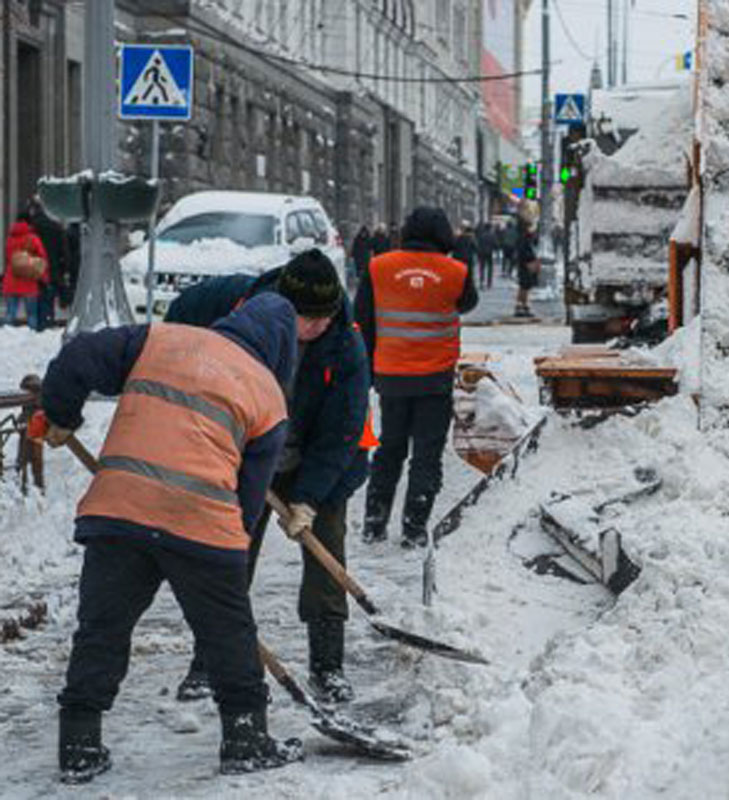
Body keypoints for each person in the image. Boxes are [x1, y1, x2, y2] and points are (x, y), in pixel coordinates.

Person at [39, 294, 303, 783]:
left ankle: (78, 742)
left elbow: (78, 357)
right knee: (229, 635)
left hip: (120, 510)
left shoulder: (158, 339)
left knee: (102, 628)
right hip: (202, 523)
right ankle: (245, 737)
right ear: (282, 349)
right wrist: (227, 554)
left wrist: (62, 414)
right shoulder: (268, 393)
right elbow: (249, 494)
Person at [165, 249, 370, 704]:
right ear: (281, 303)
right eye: (306, 318)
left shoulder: (345, 343)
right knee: (228, 554)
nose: (315, 328)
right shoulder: (236, 303)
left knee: (326, 553)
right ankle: (209, 659)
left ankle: (328, 663)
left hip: (320, 461)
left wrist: (309, 499)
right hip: (248, 455)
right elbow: (176, 319)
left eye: (325, 317)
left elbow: (341, 432)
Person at [355, 207, 478, 545]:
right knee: (426, 455)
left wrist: (366, 369)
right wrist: (463, 256)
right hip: (435, 379)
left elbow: (361, 317)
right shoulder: (455, 272)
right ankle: (414, 527)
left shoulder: (378, 268)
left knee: (389, 448)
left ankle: (374, 521)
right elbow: (468, 303)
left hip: (391, 376)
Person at [27, 196, 67, 329]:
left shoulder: (31, 226)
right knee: (48, 299)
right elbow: (63, 250)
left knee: (35, 298)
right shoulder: (56, 227)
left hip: (34, 267)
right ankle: (47, 322)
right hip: (52, 267)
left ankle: (36, 325)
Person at [4, 212, 48, 328]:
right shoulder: (33, 238)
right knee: (31, 315)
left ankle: (5, 339)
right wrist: (44, 277)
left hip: (11, 279)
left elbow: (8, 256)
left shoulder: (10, 238)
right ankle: (31, 339)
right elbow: (42, 257)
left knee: (10, 313)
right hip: (29, 280)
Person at [514, 218, 540, 318]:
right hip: (525, 265)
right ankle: (521, 306)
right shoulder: (525, 239)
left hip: (524, 265)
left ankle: (522, 306)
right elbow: (525, 253)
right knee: (524, 286)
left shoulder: (525, 238)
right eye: (531, 226)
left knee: (525, 286)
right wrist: (531, 261)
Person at [476, 222, 496, 290]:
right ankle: (489, 283)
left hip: (482, 253)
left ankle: (482, 281)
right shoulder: (492, 235)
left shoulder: (481, 235)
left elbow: (478, 244)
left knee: (482, 267)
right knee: (490, 267)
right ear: (490, 228)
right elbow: (495, 244)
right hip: (489, 253)